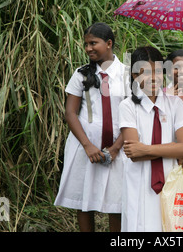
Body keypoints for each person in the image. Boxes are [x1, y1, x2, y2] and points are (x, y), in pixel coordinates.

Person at [54, 22, 129, 232]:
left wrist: (115, 148)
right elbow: (70, 113)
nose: (88, 49)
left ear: (109, 43)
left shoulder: (126, 75)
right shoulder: (81, 74)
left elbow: (132, 116)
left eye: (93, 43)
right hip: (84, 146)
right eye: (86, 44)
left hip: (118, 147)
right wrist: (87, 145)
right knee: (83, 200)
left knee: (117, 201)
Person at [118, 46, 183, 232]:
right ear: (135, 75)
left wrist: (146, 149)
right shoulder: (127, 106)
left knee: (167, 226)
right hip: (139, 180)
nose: (153, 77)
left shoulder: (175, 104)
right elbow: (134, 154)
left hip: (169, 179)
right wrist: (171, 148)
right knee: (139, 226)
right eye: (146, 72)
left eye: (158, 71)